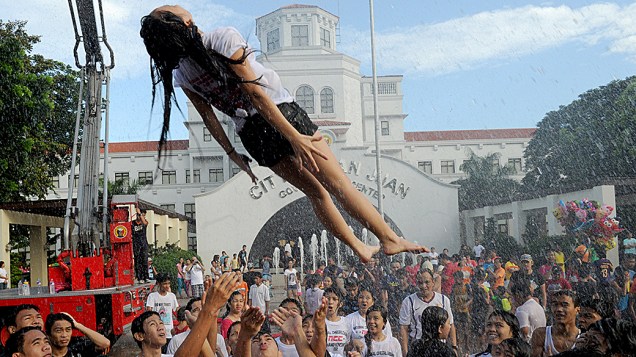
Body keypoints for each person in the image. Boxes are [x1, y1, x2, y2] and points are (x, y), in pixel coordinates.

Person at [139, 5, 428, 263]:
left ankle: (359, 247)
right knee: (340, 185)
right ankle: (388, 238)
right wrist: (294, 136)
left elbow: (210, 119)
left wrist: (232, 154)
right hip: (282, 115)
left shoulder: (182, 74)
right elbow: (257, 94)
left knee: (316, 192)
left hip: (253, 138)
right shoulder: (222, 38)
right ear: (184, 22)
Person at [399, 269, 456, 356]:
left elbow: (450, 324)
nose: (423, 286)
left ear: (433, 282)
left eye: (427, 282)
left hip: (441, 348)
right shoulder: (409, 301)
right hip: (419, 348)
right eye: (420, 283)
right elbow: (404, 328)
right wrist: (405, 352)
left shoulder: (443, 300)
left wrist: (454, 346)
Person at [530, 290, 580, 356]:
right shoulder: (541, 334)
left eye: (565, 305)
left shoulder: (583, 338)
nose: (559, 309)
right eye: (555, 304)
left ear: (577, 310)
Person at [44, 312, 111, 356]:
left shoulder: (77, 349)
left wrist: (77, 325)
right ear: (48, 334)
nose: (64, 335)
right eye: (58, 331)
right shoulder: (43, 354)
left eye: (68, 330)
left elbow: (105, 343)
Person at [145, 273, 180, 346]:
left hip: (168, 332)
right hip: (156, 331)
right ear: (159, 284)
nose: (167, 286)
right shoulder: (152, 296)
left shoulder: (172, 296)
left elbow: (176, 311)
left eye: (168, 283)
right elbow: (149, 313)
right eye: (165, 284)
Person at [511, 277, 546, 342]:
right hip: (541, 342)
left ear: (518, 295)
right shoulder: (538, 305)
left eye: (513, 297)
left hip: (529, 346)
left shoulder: (521, 310)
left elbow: (525, 331)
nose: (513, 300)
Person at [323, 287, 350, 357]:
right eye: (328, 298)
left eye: (334, 299)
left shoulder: (347, 322)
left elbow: (349, 346)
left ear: (340, 304)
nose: (330, 302)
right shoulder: (319, 322)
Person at [131, 207, 149, 283]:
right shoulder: (132, 223)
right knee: (138, 261)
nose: (142, 217)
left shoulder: (144, 222)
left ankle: (146, 277)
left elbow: (145, 223)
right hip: (136, 244)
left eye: (143, 215)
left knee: (145, 260)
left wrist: (140, 213)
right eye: (141, 215)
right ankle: (139, 277)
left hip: (144, 243)